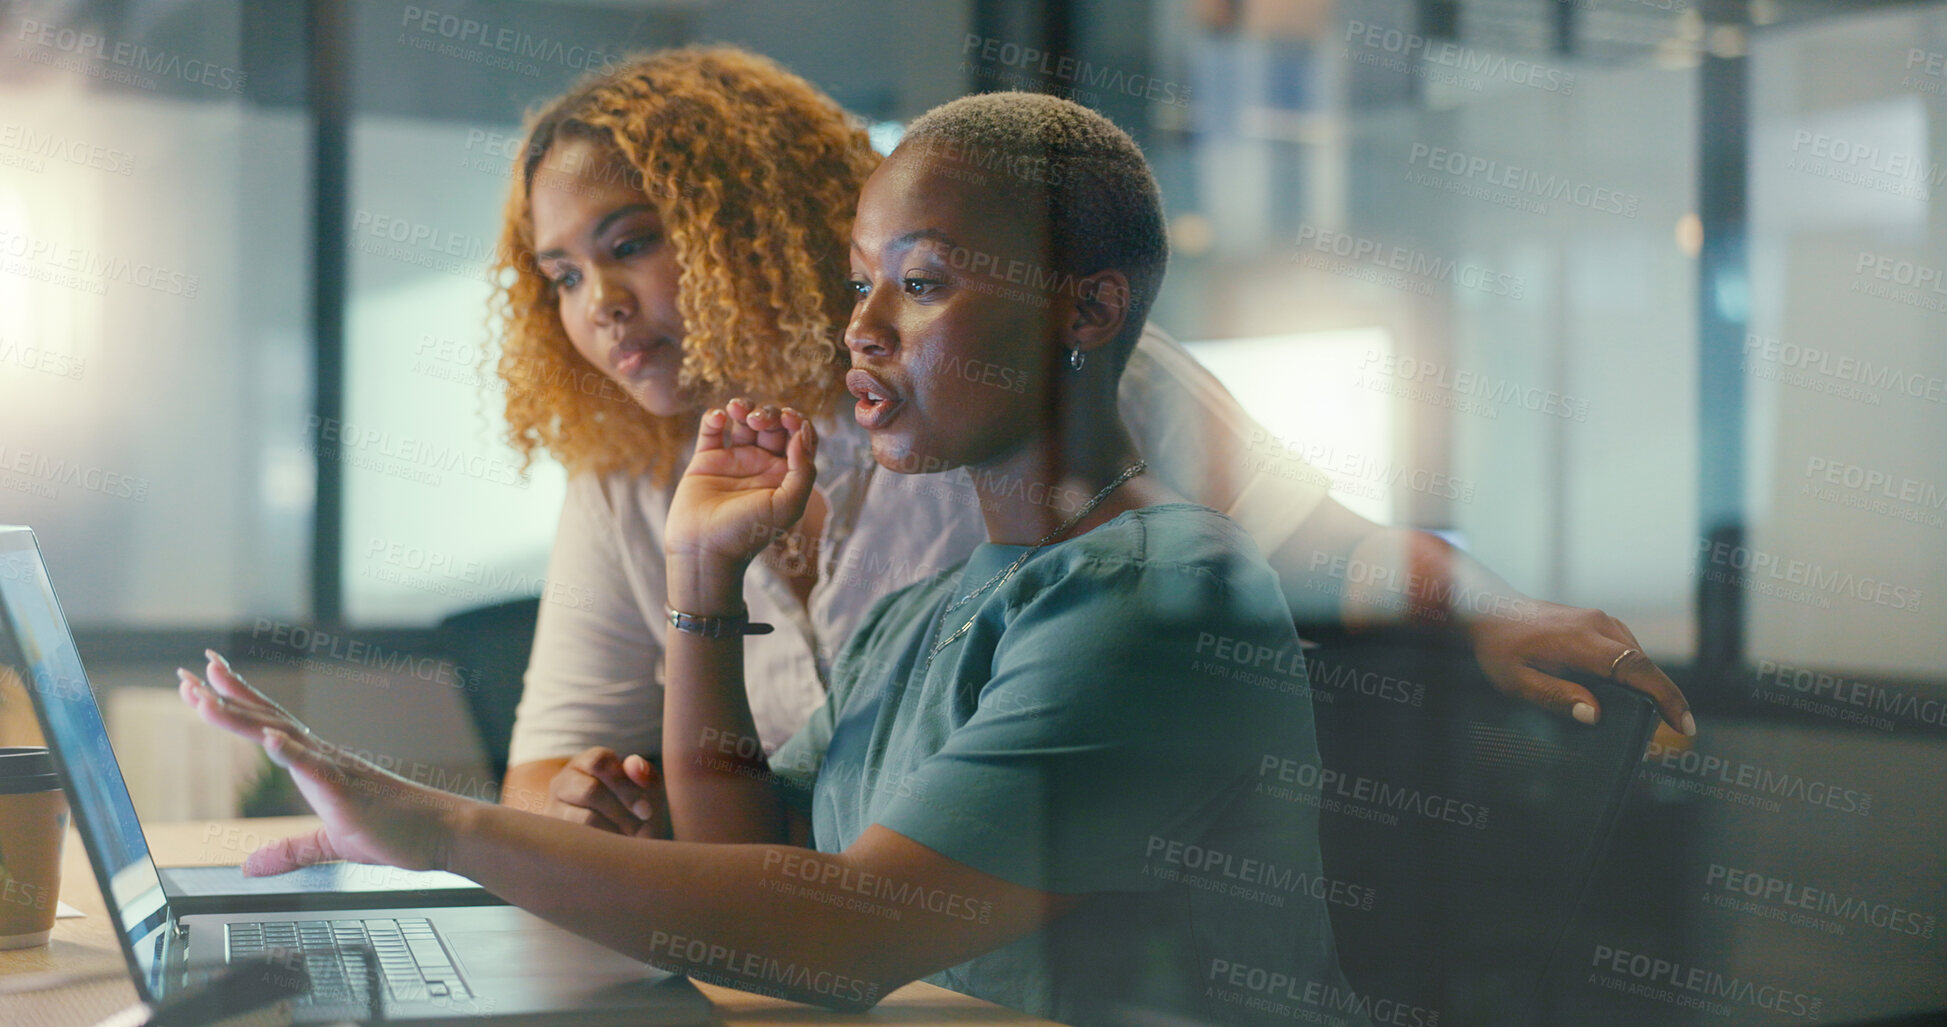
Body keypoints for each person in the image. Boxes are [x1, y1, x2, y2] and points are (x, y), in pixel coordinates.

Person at [180, 91, 1361, 1026]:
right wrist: (703, 581)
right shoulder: (926, 610)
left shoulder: (1156, 595)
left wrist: (442, 833)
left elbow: (844, 934)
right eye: (862, 281)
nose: (863, 325)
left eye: (923, 284)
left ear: (1086, 313)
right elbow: (751, 857)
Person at [489, 46, 1694, 835]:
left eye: (630, 242)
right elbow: (556, 773)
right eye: (558, 275)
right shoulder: (631, 480)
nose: (595, 302)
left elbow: (1331, 548)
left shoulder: (1034, 380)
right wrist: (596, 805)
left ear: (742, 221)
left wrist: (1490, 611)